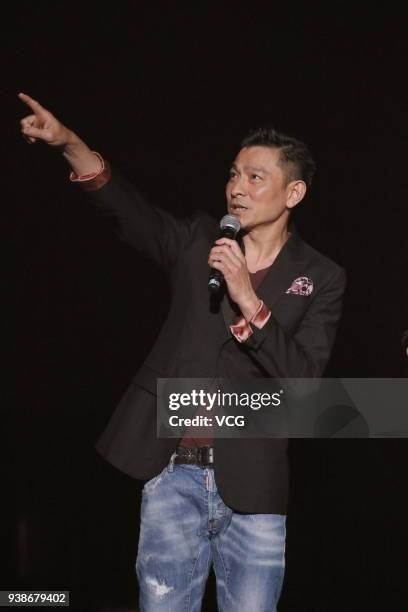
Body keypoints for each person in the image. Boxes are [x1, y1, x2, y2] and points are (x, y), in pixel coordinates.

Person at [19, 91, 346, 611]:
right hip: (173, 475)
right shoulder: (198, 241)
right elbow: (127, 207)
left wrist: (250, 303)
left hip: (255, 489)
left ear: (294, 192)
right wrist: (69, 143)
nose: (237, 188)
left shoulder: (321, 277)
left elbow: (305, 384)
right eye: (233, 174)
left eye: (255, 177)